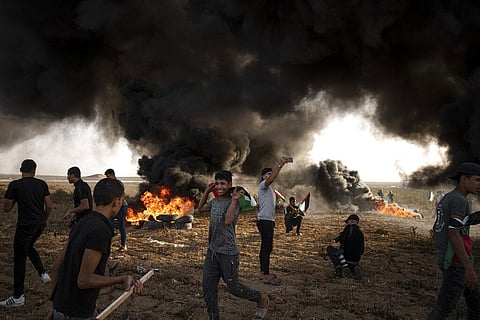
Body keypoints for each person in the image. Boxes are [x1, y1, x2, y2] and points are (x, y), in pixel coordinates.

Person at [51, 178, 143, 319]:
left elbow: (56, 266)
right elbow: (84, 280)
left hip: (60, 309)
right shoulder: (101, 230)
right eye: (122, 200)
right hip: (78, 314)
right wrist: (122, 278)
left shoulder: (81, 223)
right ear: (116, 201)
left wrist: (56, 307)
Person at [198, 170, 269, 320]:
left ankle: (261, 298)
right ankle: (213, 317)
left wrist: (235, 199)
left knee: (234, 288)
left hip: (228, 252)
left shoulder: (234, 203)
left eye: (222, 184)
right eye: (217, 183)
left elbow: (228, 221)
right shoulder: (215, 202)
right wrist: (206, 192)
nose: (219, 186)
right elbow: (200, 208)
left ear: (229, 185)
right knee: (208, 287)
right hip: (212, 252)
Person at [428, 162, 480, 319]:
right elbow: (453, 233)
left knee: (477, 305)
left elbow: (438, 227)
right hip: (456, 263)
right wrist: (468, 268)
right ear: (464, 179)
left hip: (449, 259)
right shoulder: (460, 201)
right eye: (477, 180)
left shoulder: (448, 198)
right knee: (444, 308)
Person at [0, 159, 53, 307]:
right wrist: (45, 220)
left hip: (25, 225)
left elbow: (6, 208)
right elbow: (49, 205)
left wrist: (15, 197)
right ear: (34, 171)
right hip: (39, 224)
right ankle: (42, 273)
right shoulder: (42, 184)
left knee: (19, 259)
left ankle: (18, 296)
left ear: (20, 169)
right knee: (28, 247)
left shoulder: (15, 185)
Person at [257, 157, 289, 285]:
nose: (270, 175)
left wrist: (277, 207)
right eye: (268, 174)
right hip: (265, 220)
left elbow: (265, 204)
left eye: (271, 173)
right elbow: (271, 179)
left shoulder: (269, 190)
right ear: (263, 176)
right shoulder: (263, 185)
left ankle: (262, 272)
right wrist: (280, 165)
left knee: (265, 247)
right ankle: (265, 275)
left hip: (268, 220)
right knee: (267, 248)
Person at [326, 214, 364, 280]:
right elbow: (362, 251)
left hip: (345, 259)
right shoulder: (361, 233)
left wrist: (340, 237)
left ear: (352, 221)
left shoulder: (349, 228)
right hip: (355, 260)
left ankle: (339, 269)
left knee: (330, 249)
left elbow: (342, 240)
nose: (347, 224)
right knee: (351, 261)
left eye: (348, 222)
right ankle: (355, 267)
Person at [105, 168, 128, 251]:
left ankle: (123, 245)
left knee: (121, 225)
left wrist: (119, 203)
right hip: (114, 206)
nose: (107, 178)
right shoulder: (109, 184)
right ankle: (113, 236)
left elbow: (123, 194)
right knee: (109, 222)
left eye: (108, 176)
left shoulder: (118, 183)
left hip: (122, 206)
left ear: (112, 175)